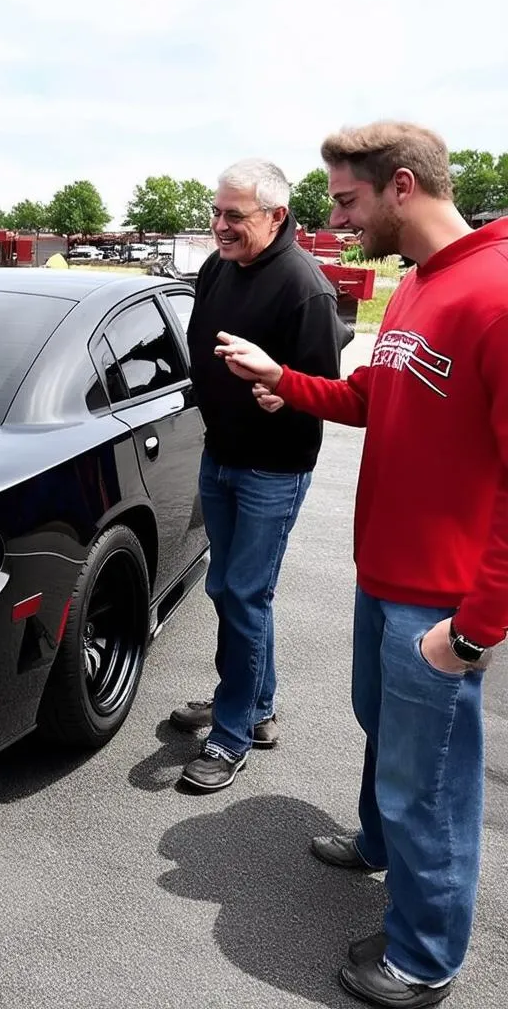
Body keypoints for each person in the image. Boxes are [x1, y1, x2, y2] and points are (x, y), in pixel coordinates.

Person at [214, 120, 508, 1008]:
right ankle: (378, 847)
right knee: (381, 729)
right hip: (383, 571)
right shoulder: (417, 285)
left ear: (403, 186)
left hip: (441, 601)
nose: (335, 222)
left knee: (434, 784)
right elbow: (373, 400)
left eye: (345, 201)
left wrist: (475, 631)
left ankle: (424, 959)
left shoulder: (495, 293)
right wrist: (285, 382)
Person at [169, 157, 352, 793]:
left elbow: (327, 385)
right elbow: (198, 348)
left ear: (275, 217)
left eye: (234, 216)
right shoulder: (217, 268)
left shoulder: (305, 286)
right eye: (215, 213)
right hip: (221, 455)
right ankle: (256, 705)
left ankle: (232, 732)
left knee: (243, 593)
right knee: (233, 589)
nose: (219, 225)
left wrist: (286, 392)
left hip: (274, 469)